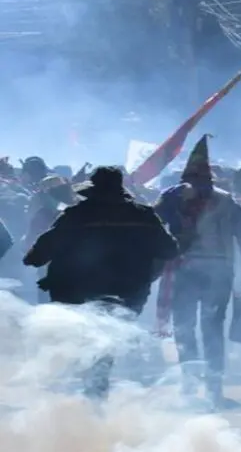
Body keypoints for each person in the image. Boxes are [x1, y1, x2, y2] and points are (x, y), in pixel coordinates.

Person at [24, 166, 178, 399]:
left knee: (90, 336)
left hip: (81, 291)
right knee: (108, 337)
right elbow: (169, 249)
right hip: (130, 290)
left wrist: (33, 257)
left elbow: (44, 248)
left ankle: (93, 388)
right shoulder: (143, 215)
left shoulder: (77, 214)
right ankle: (96, 386)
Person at [154, 136, 241, 404]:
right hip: (218, 271)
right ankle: (213, 389)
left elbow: (153, 227)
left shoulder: (171, 198)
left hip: (184, 271)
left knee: (185, 329)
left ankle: (190, 388)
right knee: (211, 329)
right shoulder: (226, 200)